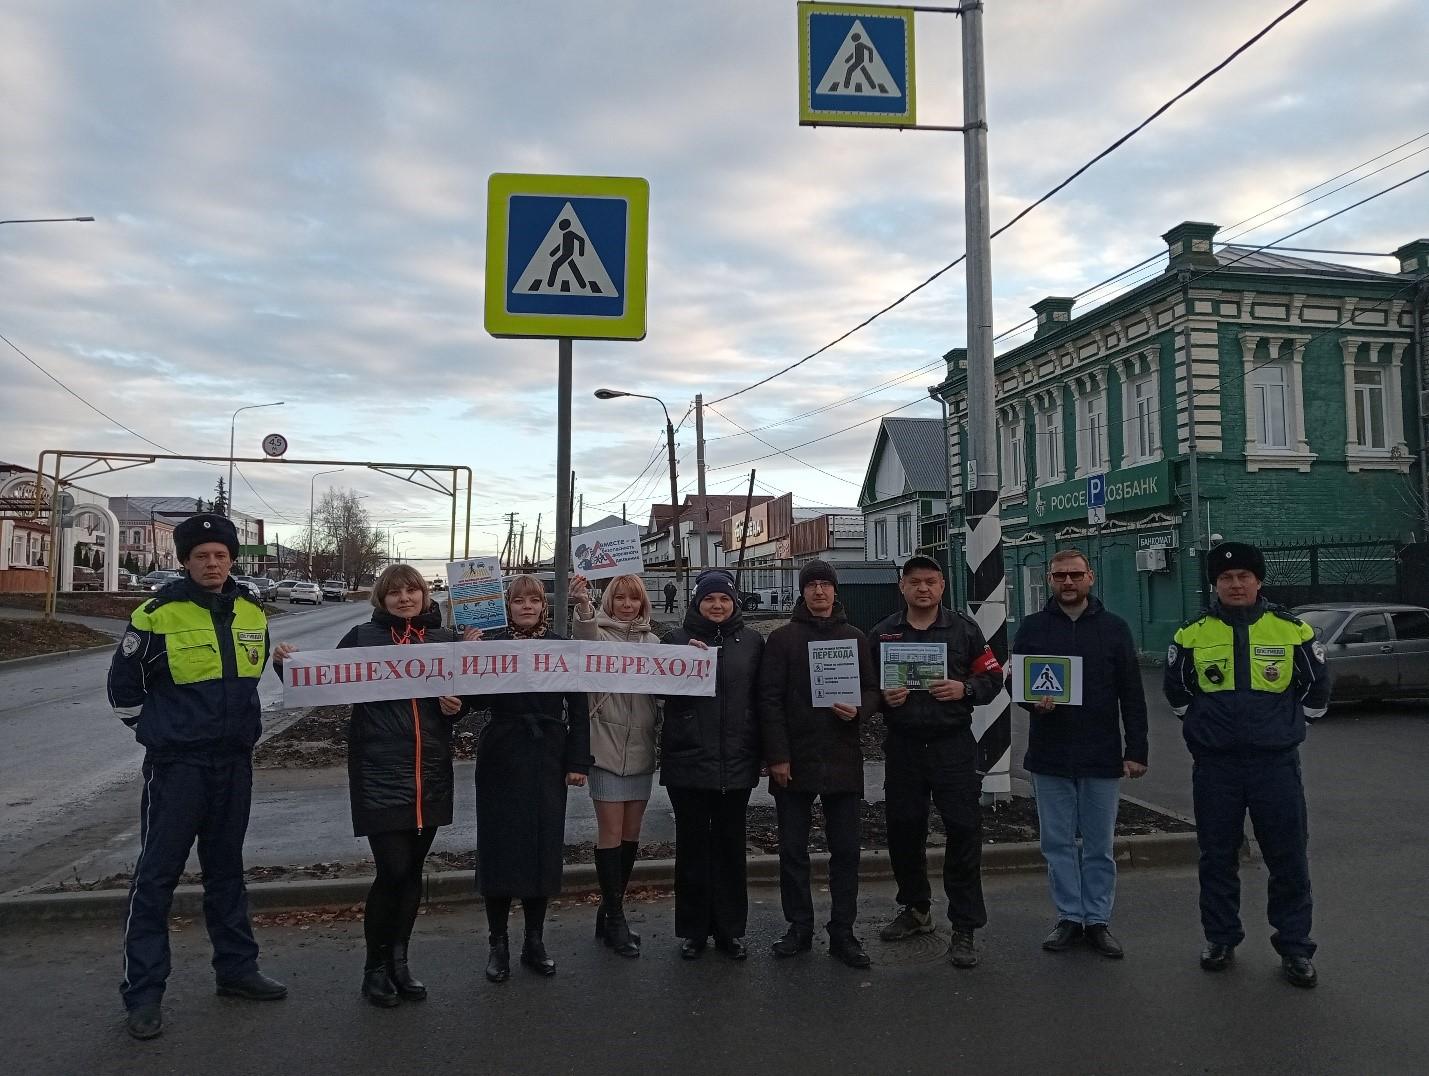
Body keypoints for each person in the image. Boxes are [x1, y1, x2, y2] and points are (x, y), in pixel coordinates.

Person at [106, 513, 286, 1041]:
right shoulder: (155, 613)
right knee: (157, 877)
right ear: (184, 560)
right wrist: (160, 733)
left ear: (232, 559)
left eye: (221, 555)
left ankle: (236, 970)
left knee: (227, 869)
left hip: (234, 760)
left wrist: (287, 667)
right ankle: (143, 994)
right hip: (178, 766)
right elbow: (123, 689)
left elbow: (252, 677)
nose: (212, 563)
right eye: (202, 555)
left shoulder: (251, 607)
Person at [273, 565, 474, 1007]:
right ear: (381, 599)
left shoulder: (444, 642)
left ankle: (400, 963)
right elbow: (319, 683)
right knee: (393, 871)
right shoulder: (363, 639)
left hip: (431, 771)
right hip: (380, 769)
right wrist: (284, 665)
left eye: (412, 591)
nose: (404, 599)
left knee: (412, 874)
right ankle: (375, 968)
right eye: (395, 592)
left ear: (424, 595)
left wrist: (455, 706)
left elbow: (464, 704)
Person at [1164, 542, 1328, 988]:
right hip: (1217, 766)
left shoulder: (1291, 630)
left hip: (1275, 764)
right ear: (1214, 584)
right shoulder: (1191, 633)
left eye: (1243, 577)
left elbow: (1316, 690)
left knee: (1288, 858)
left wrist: (1286, 727)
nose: (1235, 585)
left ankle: (1295, 947)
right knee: (1216, 857)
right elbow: (1178, 693)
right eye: (1225, 578)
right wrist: (1208, 730)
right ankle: (1220, 938)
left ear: (1258, 581)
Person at [1011, 549, 1148, 959]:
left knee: (1099, 844)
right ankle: (1069, 917)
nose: (1067, 583)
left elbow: (1132, 694)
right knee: (1056, 843)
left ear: (1090, 577)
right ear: (1051, 582)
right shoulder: (1033, 628)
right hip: (1050, 754)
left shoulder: (1114, 628)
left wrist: (1136, 749)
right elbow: (1016, 684)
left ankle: (1098, 920)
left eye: (1074, 575)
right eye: (1059, 577)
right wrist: (1032, 703)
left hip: (1102, 754)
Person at [870, 555, 1005, 969]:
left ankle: (964, 926)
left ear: (942, 586)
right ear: (902, 586)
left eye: (931, 582)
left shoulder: (965, 630)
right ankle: (915, 909)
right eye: (915, 582)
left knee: (963, 831)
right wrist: (881, 700)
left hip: (952, 747)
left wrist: (964, 689)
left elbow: (993, 677)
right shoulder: (883, 634)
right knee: (904, 829)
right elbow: (863, 686)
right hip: (904, 747)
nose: (923, 589)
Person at [759, 559, 880, 968]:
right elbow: (769, 701)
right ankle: (799, 927)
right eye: (811, 585)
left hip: (842, 759)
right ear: (802, 592)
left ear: (835, 591)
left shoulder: (855, 638)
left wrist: (859, 711)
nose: (819, 592)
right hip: (794, 760)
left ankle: (843, 931)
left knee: (846, 851)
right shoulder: (782, 639)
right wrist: (777, 756)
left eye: (825, 585)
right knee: (793, 850)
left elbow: (870, 689)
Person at [472, 575, 592, 982]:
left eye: (534, 600)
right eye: (518, 600)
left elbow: (577, 707)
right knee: (499, 847)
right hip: (501, 755)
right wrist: (465, 659)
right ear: (507, 606)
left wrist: (578, 761)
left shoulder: (561, 647)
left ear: (544, 605)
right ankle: (498, 942)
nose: (526, 606)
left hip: (547, 756)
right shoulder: (489, 647)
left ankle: (535, 940)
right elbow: (469, 702)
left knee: (542, 845)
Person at [661, 569, 765, 960]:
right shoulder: (674, 640)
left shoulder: (752, 642)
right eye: (709, 599)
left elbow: (763, 698)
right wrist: (680, 662)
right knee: (691, 849)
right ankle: (693, 931)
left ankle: (729, 930)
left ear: (734, 602)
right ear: (697, 603)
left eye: (723, 599)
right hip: (688, 760)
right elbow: (657, 692)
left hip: (736, 761)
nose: (717, 606)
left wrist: (766, 752)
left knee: (729, 848)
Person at [570, 572, 660, 958]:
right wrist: (583, 605)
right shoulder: (598, 635)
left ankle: (608, 913)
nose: (626, 604)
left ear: (642, 603)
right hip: (603, 747)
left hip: (640, 748)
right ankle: (617, 918)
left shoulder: (654, 643)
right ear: (608, 601)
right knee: (610, 832)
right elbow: (585, 634)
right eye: (619, 597)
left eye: (633, 599)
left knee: (630, 835)